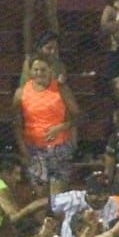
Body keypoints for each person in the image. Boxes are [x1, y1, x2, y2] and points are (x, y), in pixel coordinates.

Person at [13, 54, 79, 196]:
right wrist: (23, 149)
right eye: (35, 70)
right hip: (34, 149)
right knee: (39, 195)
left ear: (50, 70)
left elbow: (79, 116)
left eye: (43, 69)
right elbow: (17, 124)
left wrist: (62, 127)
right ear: (30, 71)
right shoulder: (21, 93)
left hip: (59, 148)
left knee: (58, 197)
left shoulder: (61, 89)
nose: (39, 73)